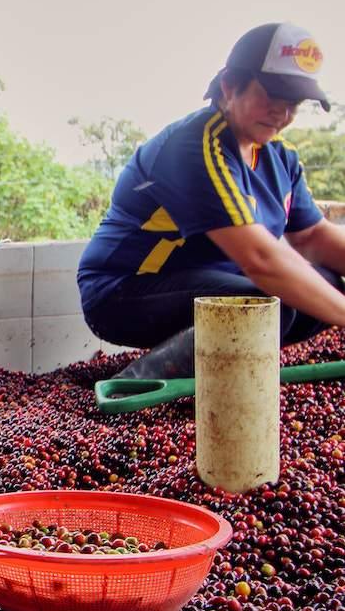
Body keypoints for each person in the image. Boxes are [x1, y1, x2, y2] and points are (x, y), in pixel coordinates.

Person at [78, 22, 344, 380]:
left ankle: (214, 360)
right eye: (271, 96)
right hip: (123, 291)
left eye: (292, 102)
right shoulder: (195, 146)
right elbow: (261, 259)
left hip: (214, 287)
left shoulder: (279, 156)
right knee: (265, 305)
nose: (281, 113)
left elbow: (312, 237)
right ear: (229, 86)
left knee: (325, 284)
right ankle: (139, 384)